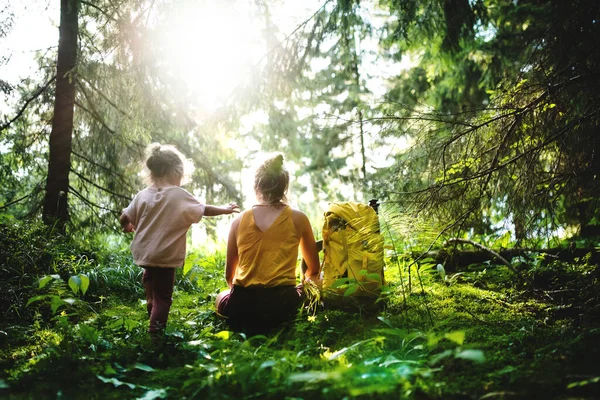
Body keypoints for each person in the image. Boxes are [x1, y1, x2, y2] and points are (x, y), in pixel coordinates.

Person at [120, 143, 239, 334]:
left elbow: (124, 216)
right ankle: (155, 336)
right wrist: (224, 209)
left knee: (150, 275)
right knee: (164, 298)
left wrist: (128, 226)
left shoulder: (142, 195)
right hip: (165, 256)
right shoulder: (178, 194)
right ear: (175, 171)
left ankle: (150, 300)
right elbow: (203, 209)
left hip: (145, 253)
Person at [215, 153, 321, 335]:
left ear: (257, 186)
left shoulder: (238, 221)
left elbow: (230, 277)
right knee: (318, 281)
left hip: (242, 305)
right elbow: (314, 270)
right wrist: (306, 284)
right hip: (282, 305)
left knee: (221, 296)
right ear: (284, 186)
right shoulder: (299, 218)